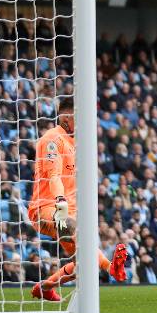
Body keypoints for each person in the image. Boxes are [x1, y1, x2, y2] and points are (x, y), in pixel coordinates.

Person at [28, 97, 128, 301]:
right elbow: (54, 176)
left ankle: (45, 288)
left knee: (83, 262)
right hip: (48, 207)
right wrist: (61, 205)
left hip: (71, 211)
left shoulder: (78, 141)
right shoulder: (52, 140)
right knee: (72, 228)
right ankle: (110, 268)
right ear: (66, 118)